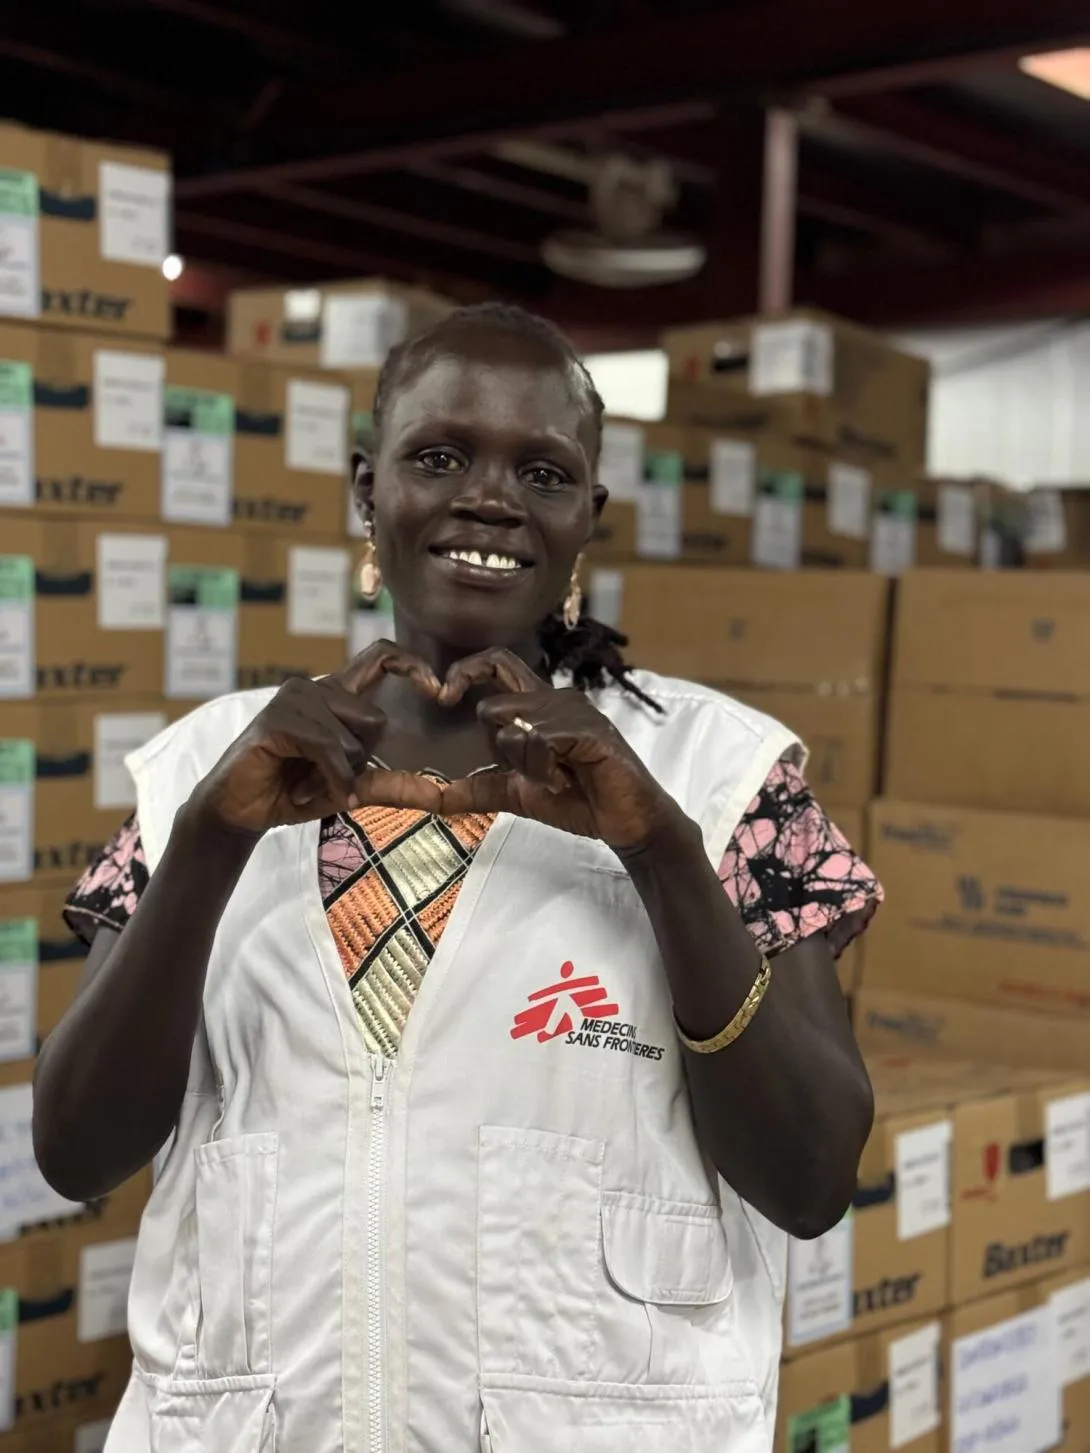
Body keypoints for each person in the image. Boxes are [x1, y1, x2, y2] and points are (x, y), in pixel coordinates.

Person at [36, 304, 880, 1453]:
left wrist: (662, 853)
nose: (488, 496)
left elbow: (811, 1176)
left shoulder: (723, 778)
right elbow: (76, 1151)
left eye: (542, 470)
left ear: (591, 517)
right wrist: (209, 850)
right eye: (438, 456)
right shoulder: (209, 766)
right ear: (366, 489)